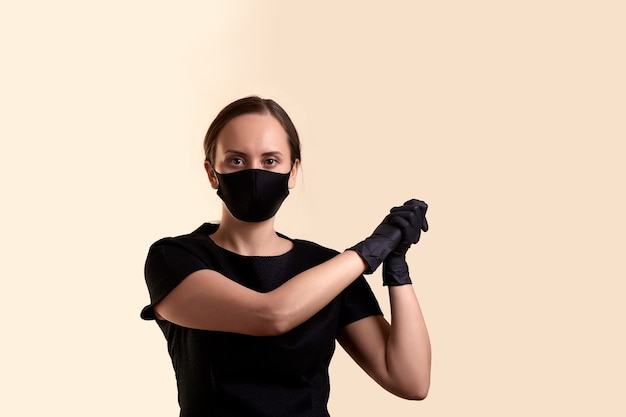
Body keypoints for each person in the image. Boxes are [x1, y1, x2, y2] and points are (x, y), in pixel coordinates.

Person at [140, 96, 431, 417]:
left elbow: (411, 381)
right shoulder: (175, 259)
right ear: (212, 173)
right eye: (236, 160)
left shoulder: (328, 269)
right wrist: (367, 253)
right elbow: (270, 315)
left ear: (293, 172)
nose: (254, 173)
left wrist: (396, 268)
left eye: (270, 161)